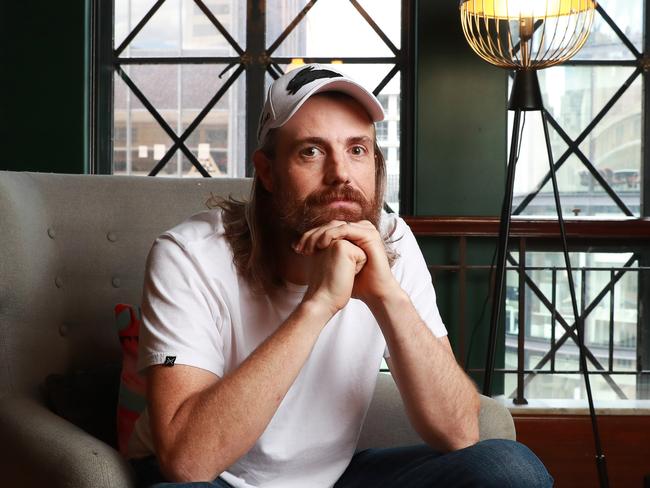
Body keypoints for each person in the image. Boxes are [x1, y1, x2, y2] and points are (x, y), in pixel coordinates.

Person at [128, 64, 552, 488]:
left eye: (357, 150)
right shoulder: (190, 255)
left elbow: (458, 432)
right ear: (268, 171)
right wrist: (318, 304)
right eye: (310, 151)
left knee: (509, 468)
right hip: (217, 479)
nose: (341, 175)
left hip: (333, 479)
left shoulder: (391, 241)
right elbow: (187, 463)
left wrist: (387, 296)